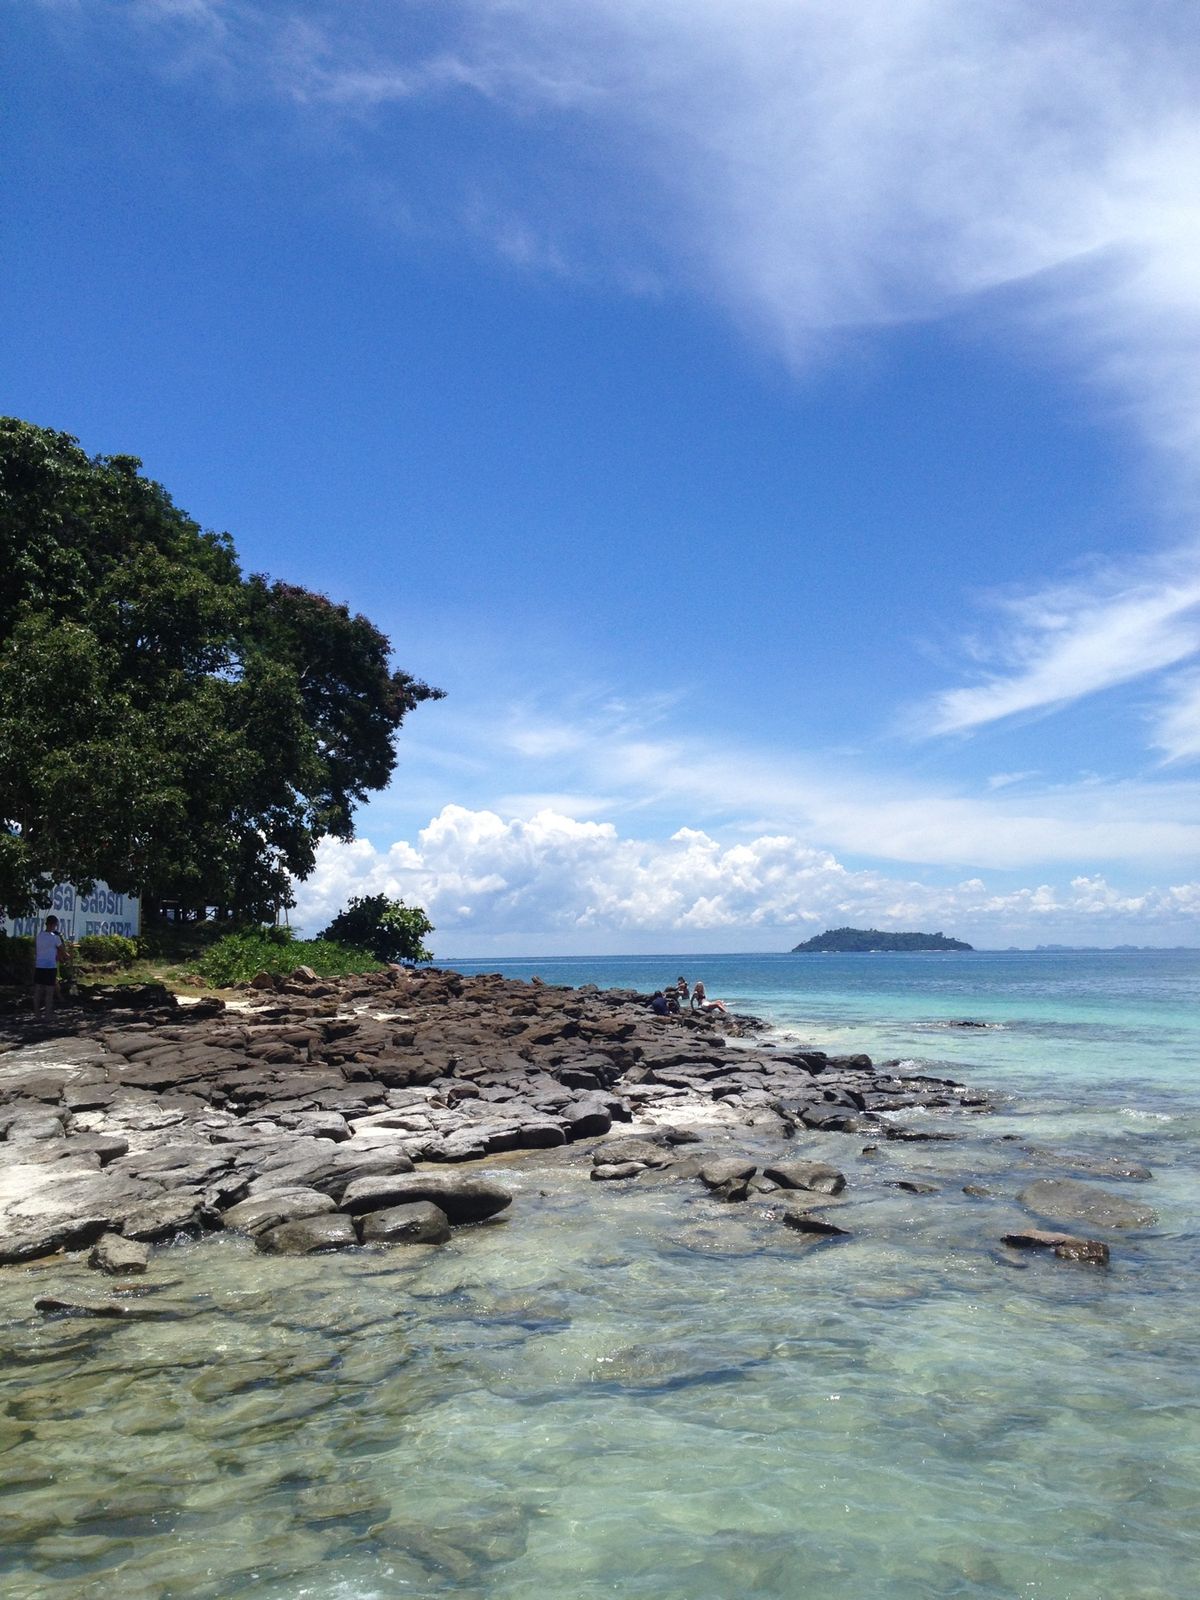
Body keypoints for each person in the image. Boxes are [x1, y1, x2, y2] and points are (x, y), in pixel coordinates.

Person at [32, 914, 67, 1020]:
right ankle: (48, 1014)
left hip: (39, 965)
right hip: (50, 966)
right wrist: (67, 956)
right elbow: (62, 951)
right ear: (54, 924)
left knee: (38, 990)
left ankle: (37, 1013)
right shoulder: (55, 937)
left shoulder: (39, 936)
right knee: (49, 991)